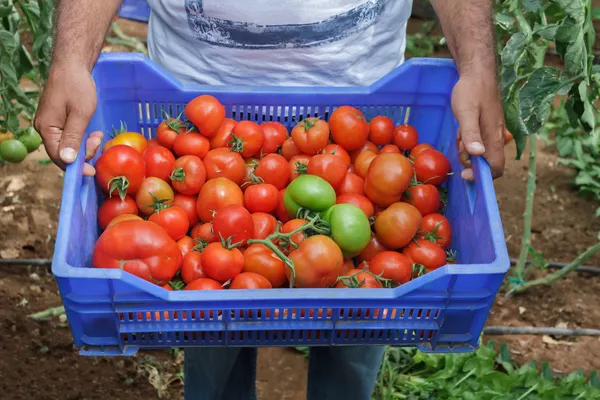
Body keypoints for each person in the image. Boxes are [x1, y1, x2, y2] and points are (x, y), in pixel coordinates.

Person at [35, 1, 505, 399]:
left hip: (363, 89)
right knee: (212, 343)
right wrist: (71, 60)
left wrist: (479, 66)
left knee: (358, 330)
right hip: (194, 94)